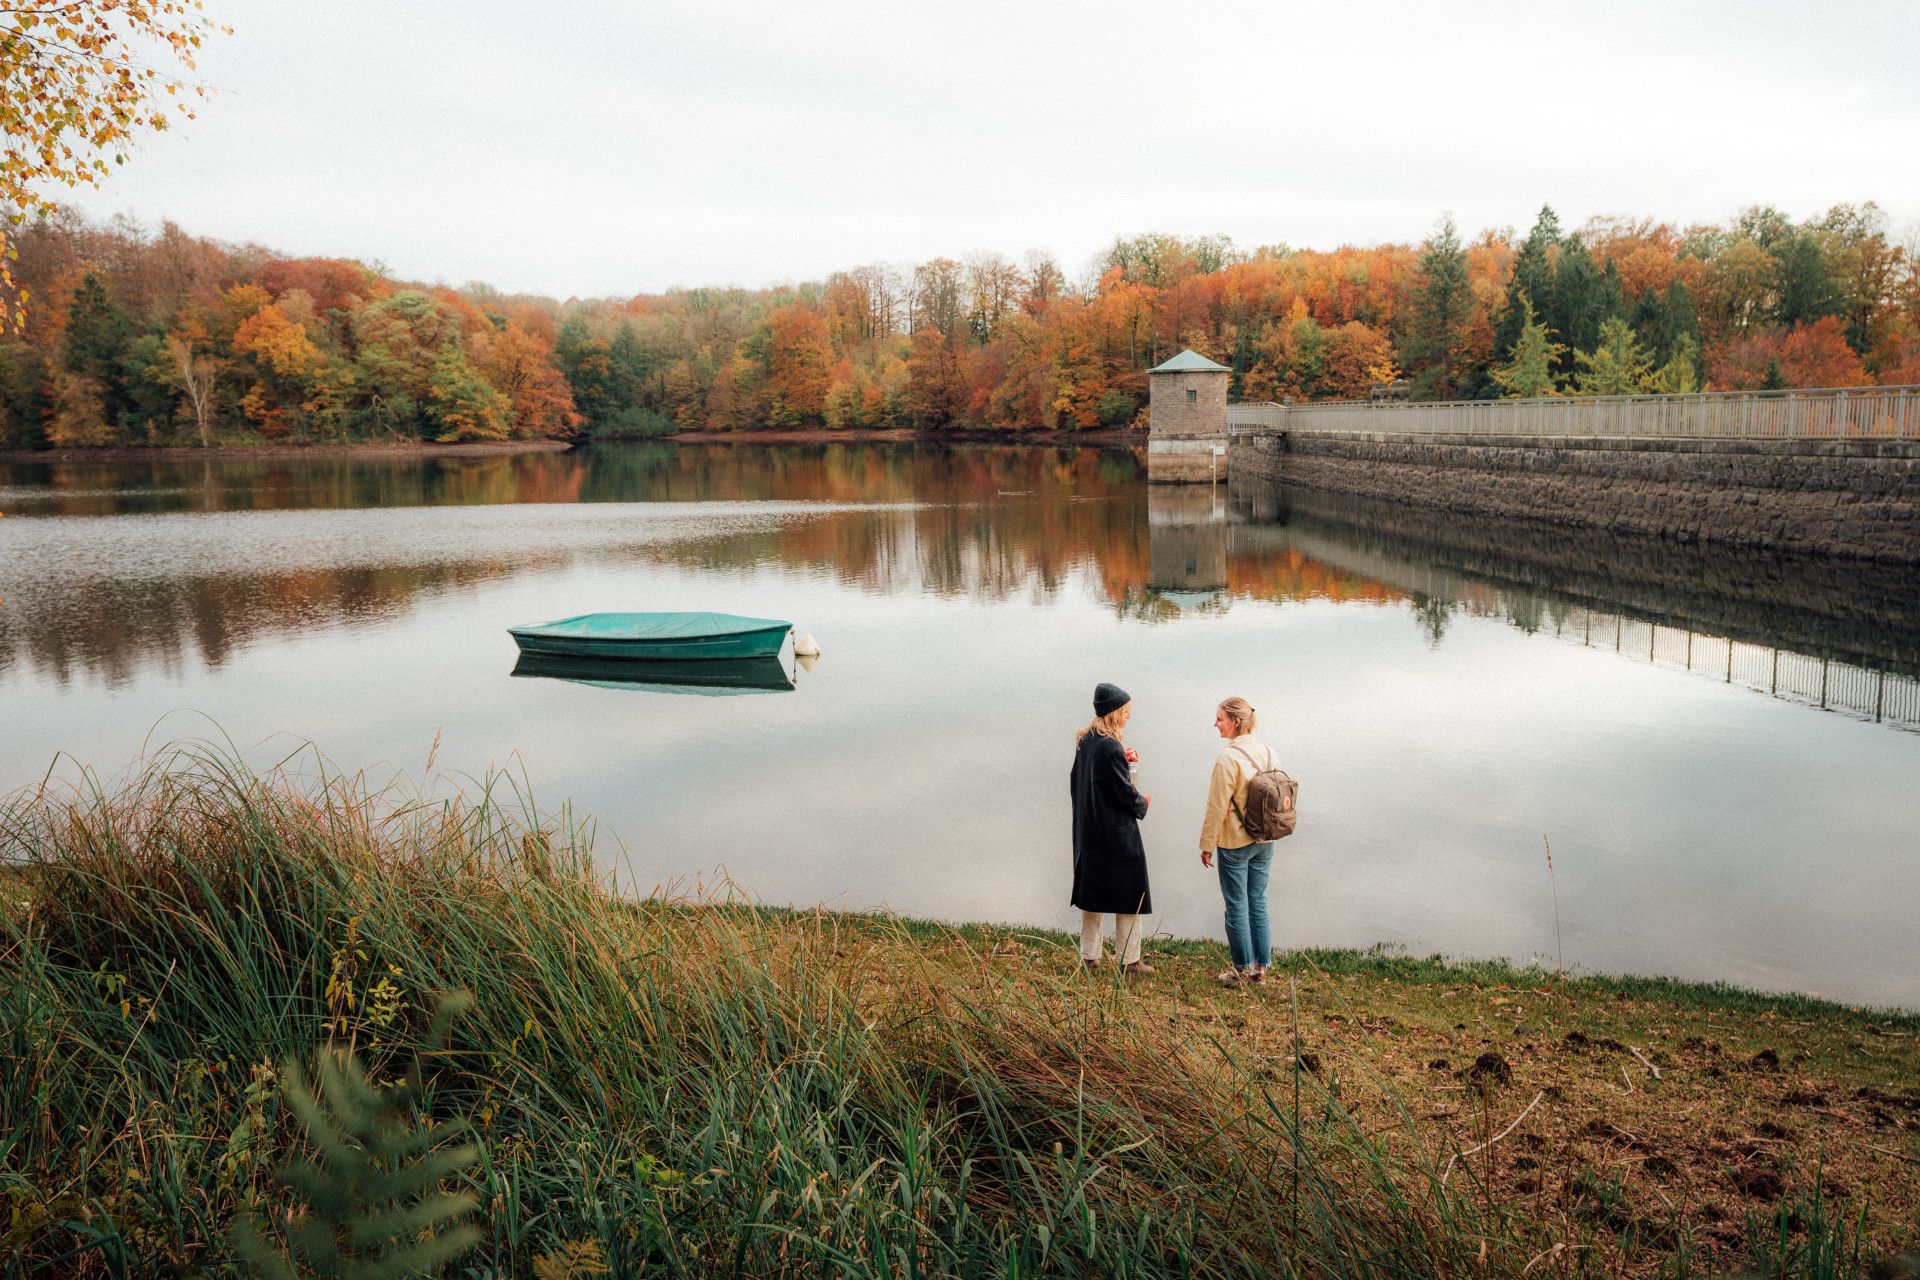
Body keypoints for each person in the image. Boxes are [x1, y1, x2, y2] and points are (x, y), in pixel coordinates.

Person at [1069, 682, 1154, 974]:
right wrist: (1143, 803)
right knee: (1130, 896)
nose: (1129, 715)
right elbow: (1122, 792)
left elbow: (1088, 779)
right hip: (1115, 835)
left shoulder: (1087, 740)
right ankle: (1130, 960)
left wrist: (1122, 758)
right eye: (1126, 710)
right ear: (1114, 712)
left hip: (1090, 830)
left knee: (1093, 896)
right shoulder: (1110, 746)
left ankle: (1089, 957)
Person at [1199, 696, 1277, 985]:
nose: (1215, 724)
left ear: (1236, 722)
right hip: (1266, 840)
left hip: (1234, 842)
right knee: (1258, 900)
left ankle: (1241, 970)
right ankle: (1260, 969)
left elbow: (1216, 806)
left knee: (1236, 904)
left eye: (1220, 719)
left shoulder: (1227, 759)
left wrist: (1206, 844)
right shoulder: (1269, 752)